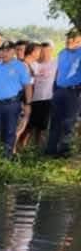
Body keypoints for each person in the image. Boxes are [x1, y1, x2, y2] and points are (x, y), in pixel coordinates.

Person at [0, 42, 32, 159]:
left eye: (7, 50)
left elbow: (27, 86)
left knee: (10, 132)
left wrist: (28, 104)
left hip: (12, 104)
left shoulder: (20, 66)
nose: (3, 53)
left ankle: (7, 157)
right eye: (1, 50)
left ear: (13, 52)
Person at [44, 27, 81, 157]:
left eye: (72, 37)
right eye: (68, 37)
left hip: (74, 92)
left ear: (79, 39)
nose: (68, 40)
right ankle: (51, 150)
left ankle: (65, 151)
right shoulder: (62, 53)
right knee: (55, 121)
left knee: (68, 122)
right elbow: (57, 72)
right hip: (59, 91)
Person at [26, 40, 55, 150]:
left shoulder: (55, 62)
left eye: (48, 51)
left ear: (52, 51)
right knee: (29, 126)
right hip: (33, 98)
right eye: (42, 51)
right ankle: (22, 148)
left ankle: (38, 148)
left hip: (48, 98)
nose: (45, 53)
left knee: (42, 127)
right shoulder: (34, 64)